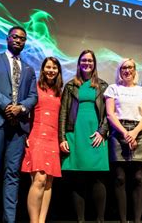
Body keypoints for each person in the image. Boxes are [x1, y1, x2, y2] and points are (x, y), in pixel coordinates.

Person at [0, 26, 38, 222]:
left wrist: (20, 108)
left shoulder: (28, 68)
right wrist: (7, 105)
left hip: (18, 127)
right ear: (8, 38)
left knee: (12, 175)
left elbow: (33, 96)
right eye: (15, 37)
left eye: (22, 38)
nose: (18, 40)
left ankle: (9, 220)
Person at [59, 49, 109, 223]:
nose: (87, 63)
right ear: (79, 63)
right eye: (83, 61)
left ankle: (100, 219)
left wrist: (102, 132)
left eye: (90, 61)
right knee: (78, 177)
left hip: (96, 135)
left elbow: (108, 113)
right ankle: (80, 220)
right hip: (75, 133)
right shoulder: (71, 86)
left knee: (98, 177)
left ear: (94, 64)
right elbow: (63, 112)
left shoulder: (103, 86)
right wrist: (62, 138)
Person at [104, 58, 142, 223]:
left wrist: (135, 132)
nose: (127, 70)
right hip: (118, 133)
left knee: (138, 178)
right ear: (120, 71)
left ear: (135, 70)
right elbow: (110, 114)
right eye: (124, 68)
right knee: (119, 178)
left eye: (130, 67)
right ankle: (123, 221)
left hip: (138, 132)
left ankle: (137, 220)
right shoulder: (112, 89)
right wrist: (125, 133)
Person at [21, 57, 63, 223]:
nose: (51, 70)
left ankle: (42, 220)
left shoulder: (60, 91)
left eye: (54, 67)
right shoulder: (34, 88)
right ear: (43, 69)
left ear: (58, 71)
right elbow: (24, 111)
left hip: (53, 139)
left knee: (48, 183)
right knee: (39, 179)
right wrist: (24, 135)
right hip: (37, 136)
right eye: (48, 67)